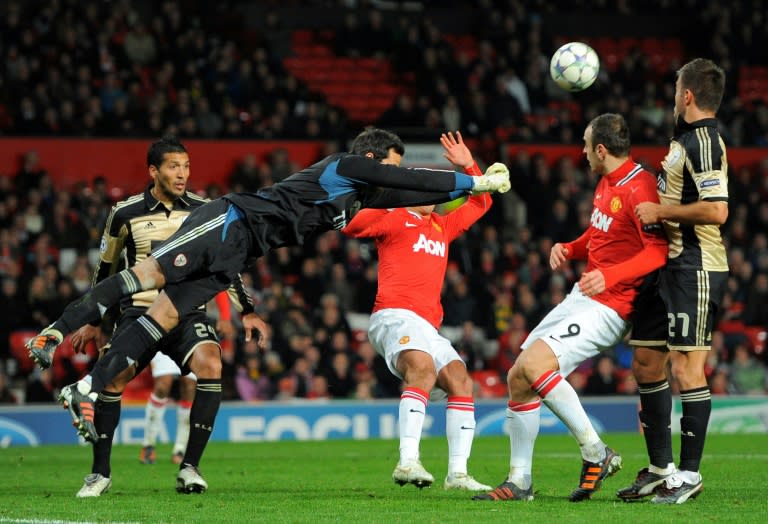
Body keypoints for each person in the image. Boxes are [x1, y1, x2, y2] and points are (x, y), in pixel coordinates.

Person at [26, 128, 511, 441]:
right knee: (144, 277)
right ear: (369, 155)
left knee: (164, 315)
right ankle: (54, 330)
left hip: (243, 250)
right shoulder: (344, 166)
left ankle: (85, 387)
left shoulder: (366, 194)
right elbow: (412, 178)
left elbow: (418, 188)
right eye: (387, 162)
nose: (389, 172)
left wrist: (474, 179)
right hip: (228, 221)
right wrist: (478, 183)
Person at [474, 113, 669, 502]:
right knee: (518, 376)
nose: (581, 151)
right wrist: (572, 248)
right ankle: (520, 481)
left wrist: (610, 278)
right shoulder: (606, 182)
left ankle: (597, 452)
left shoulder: (640, 186)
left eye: (585, 144)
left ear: (601, 149)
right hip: (584, 296)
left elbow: (658, 251)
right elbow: (601, 235)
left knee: (534, 366)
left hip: (610, 306)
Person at [59, 136, 258, 496]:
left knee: (211, 365)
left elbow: (227, 264)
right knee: (115, 379)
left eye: (186, 166)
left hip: (186, 311)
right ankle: (99, 473)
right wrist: (94, 320)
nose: (182, 174)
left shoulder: (205, 209)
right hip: (140, 310)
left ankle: (189, 468)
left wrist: (247, 311)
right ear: (153, 170)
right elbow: (107, 271)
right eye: (173, 166)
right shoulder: (125, 213)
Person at [343, 131, 494, 492]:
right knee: (422, 369)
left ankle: (457, 474)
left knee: (460, 380)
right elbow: (351, 224)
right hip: (393, 315)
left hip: (428, 325)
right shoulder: (394, 218)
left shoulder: (441, 226)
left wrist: (468, 165)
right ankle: (407, 461)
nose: (435, 195)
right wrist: (381, 197)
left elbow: (482, 203)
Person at [619, 58, 729, 504]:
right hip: (667, 266)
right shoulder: (683, 140)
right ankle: (660, 468)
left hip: (695, 266)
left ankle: (688, 474)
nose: (672, 98)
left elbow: (717, 210)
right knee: (646, 360)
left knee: (686, 366)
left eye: (675, 90)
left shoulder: (706, 141)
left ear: (687, 95)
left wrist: (661, 212)